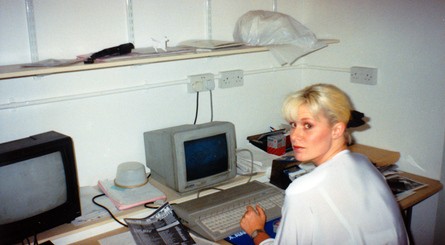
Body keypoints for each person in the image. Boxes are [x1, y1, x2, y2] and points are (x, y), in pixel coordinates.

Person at [240, 83, 408, 245]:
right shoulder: (363, 162)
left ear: (337, 130)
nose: (295, 136)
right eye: (293, 124)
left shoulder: (301, 191)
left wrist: (257, 232)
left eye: (308, 125)